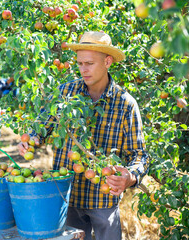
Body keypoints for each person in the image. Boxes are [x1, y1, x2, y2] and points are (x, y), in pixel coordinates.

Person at [17, 31, 149, 240]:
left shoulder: (125, 104)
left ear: (107, 61)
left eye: (89, 63)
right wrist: (30, 140)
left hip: (103, 200)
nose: (83, 69)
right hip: (66, 197)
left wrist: (130, 177)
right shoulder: (65, 94)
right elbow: (41, 128)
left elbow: (139, 154)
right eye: (79, 63)